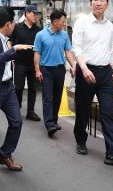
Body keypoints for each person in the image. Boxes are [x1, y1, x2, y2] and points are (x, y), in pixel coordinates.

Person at [72, 0, 113, 166]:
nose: (98, 2)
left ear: (107, 4)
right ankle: (80, 140)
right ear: (90, 3)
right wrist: (84, 69)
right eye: (95, 0)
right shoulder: (82, 22)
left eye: (102, 0)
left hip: (105, 73)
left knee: (107, 112)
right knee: (83, 110)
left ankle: (112, 152)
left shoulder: (110, 25)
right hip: (86, 70)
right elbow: (77, 48)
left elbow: (110, 48)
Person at [0, 7, 32, 180]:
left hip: (8, 88)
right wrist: (14, 49)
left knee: (17, 122)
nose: (15, 25)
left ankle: (5, 154)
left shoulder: (6, 39)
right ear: (8, 24)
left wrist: (14, 49)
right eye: (14, 22)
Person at [34, 9, 76, 137]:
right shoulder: (40, 35)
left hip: (60, 69)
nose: (64, 24)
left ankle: (54, 121)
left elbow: (68, 52)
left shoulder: (64, 35)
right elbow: (37, 53)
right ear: (55, 21)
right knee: (47, 98)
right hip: (46, 69)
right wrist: (37, 70)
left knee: (57, 97)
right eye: (63, 22)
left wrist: (74, 65)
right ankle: (49, 124)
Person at [9, 5, 41, 121]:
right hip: (19, 63)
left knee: (33, 88)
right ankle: (16, 110)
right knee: (19, 87)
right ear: (26, 13)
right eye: (34, 13)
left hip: (34, 63)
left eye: (37, 14)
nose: (35, 16)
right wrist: (11, 56)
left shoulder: (38, 30)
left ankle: (30, 112)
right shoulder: (17, 27)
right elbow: (10, 42)